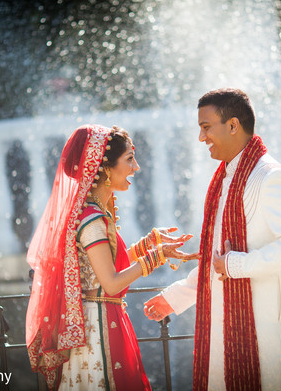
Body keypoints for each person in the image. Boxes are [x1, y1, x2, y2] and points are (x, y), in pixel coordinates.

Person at [144, 88, 281, 390]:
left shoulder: (270, 176)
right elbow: (217, 261)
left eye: (206, 127)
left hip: (260, 338)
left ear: (233, 125)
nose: (201, 137)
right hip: (221, 335)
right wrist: (178, 296)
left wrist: (236, 265)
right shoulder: (225, 178)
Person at [25, 124, 199, 390]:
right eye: (129, 159)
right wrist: (156, 256)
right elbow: (111, 283)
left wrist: (147, 246)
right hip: (99, 330)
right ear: (105, 168)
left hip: (104, 318)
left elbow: (98, 268)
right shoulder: (92, 219)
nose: (136, 167)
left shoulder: (92, 213)